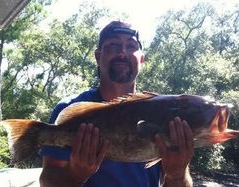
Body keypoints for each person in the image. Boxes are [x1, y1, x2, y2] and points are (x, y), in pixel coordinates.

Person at [39, 20, 194, 187]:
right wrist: (76, 175)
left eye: (131, 46)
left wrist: (177, 175)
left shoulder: (162, 111)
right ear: (98, 57)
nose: (122, 53)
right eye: (113, 45)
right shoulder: (70, 109)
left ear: (141, 60)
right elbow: (48, 182)